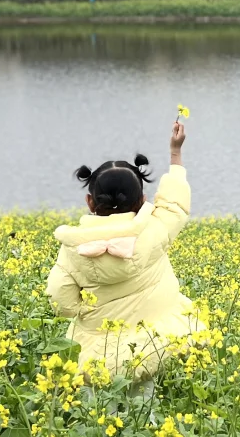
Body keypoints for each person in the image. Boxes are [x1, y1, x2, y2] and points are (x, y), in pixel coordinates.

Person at [45, 120, 196, 393]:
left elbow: (61, 301)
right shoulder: (155, 228)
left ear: (90, 202)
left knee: (98, 406)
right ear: (143, 200)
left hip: (98, 350)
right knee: (144, 403)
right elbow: (175, 204)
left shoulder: (73, 247)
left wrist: (87, 311)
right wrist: (175, 152)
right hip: (150, 344)